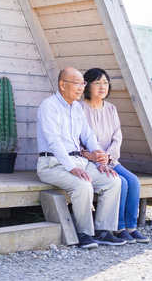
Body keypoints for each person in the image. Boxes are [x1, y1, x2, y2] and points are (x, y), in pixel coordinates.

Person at [37, 67, 126, 249]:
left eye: (82, 83)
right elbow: (54, 142)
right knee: (83, 184)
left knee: (113, 180)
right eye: (77, 83)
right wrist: (71, 167)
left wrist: (99, 157)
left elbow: (88, 137)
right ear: (63, 85)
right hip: (52, 163)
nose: (81, 88)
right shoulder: (49, 106)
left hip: (79, 161)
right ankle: (84, 232)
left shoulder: (76, 107)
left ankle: (102, 231)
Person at [80, 67, 149, 244]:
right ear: (87, 86)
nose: (103, 86)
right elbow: (77, 140)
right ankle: (118, 227)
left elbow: (117, 137)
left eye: (105, 82)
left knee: (133, 180)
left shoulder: (111, 109)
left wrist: (108, 156)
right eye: (97, 83)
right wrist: (93, 157)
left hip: (110, 160)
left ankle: (131, 227)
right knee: (122, 183)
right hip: (90, 162)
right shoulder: (79, 108)